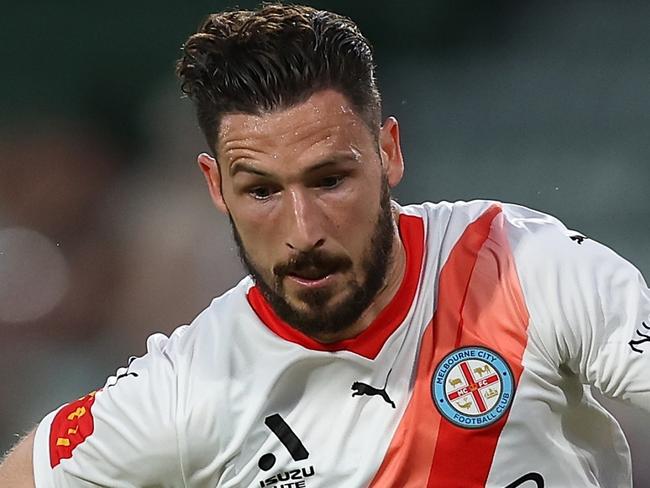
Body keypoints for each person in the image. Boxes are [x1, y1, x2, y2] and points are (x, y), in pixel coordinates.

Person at [1, 4, 649, 487]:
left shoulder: (521, 265)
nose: (303, 229)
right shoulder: (191, 383)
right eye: (262, 192)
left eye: (330, 180)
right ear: (216, 186)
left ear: (388, 152)